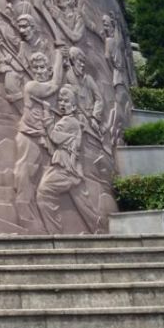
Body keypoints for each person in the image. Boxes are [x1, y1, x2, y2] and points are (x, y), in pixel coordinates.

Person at [36, 84, 102, 233]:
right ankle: (98, 229)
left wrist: (46, 113)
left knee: (44, 193)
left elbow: (54, 136)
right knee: (85, 206)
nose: (61, 104)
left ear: (73, 106)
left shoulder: (69, 122)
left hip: (66, 168)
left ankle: (56, 234)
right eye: (60, 100)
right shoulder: (71, 121)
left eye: (66, 101)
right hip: (69, 167)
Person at [12, 49, 65, 230]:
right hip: (28, 136)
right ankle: (23, 213)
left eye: (43, 67)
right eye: (36, 68)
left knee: (35, 175)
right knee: (25, 172)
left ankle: (31, 212)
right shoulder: (31, 86)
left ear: (48, 69)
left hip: (39, 136)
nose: (39, 71)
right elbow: (54, 85)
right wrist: (59, 55)